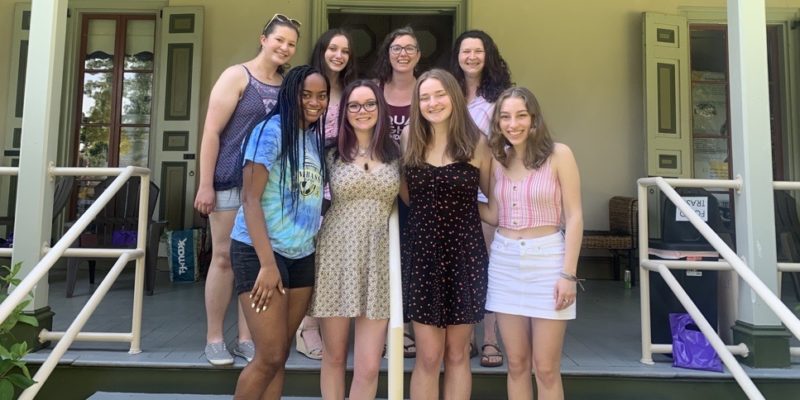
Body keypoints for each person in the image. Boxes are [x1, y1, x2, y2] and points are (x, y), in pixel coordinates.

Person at [194, 13, 300, 366]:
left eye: (291, 44)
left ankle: (245, 337)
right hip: (228, 182)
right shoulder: (236, 76)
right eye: (279, 40)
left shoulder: (288, 85)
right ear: (263, 39)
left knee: (254, 262)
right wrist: (205, 184)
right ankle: (213, 338)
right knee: (224, 258)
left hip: (268, 191)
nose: (284, 47)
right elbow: (211, 132)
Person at [229, 65, 329, 399]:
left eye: (321, 96)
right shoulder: (270, 131)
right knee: (269, 355)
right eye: (306, 95)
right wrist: (268, 264)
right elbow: (250, 198)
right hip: (261, 254)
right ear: (290, 95)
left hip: (300, 255)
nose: (314, 103)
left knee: (280, 355)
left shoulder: (312, 138)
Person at [480, 87, 583, 400]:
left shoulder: (559, 154)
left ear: (534, 118)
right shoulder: (499, 161)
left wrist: (568, 275)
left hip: (548, 260)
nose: (513, 124)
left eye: (521, 115)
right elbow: (495, 214)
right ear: (497, 123)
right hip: (505, 261)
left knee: (546, 367)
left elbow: (575, 216)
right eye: (505, 117)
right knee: (517, 363)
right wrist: (456, 203)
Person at [400, 69, 492, 399]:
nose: (432, 102)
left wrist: (462, 209)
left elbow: (492, 204)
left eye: (439, 95)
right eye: (424, 97)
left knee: (457, 354)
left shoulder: (477, 142)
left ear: (453, 96)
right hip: (423, 255)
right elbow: (409, 196)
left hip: (464, 256)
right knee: (427, 356)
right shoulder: (410, 136)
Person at [308, 80, 401, 400]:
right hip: (335, 254)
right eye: (355, 105)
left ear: (381, 108)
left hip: (379, 259)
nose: (363, 111)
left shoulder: (396, 153)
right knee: (333, 357)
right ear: (345, 112)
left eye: (370, 104)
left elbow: (412, 203)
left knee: (369, 366)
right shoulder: (330, 152)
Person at [449, 29, 513, 368]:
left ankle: (490, 338)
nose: (471, 57)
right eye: (465, 51)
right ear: (456, 56)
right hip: (454, 190)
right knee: (462, 267)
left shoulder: (501, 96)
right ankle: (466, 338)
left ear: (488, 55)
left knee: (489, 266)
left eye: (477, 51)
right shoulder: (449, 92)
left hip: (489, 186)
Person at [294, 28, 358, 361]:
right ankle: (306, 325)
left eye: (345, 51)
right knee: (310, 255)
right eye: (333, 48)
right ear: (322, 49)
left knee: (331, 256)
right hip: (308, 174)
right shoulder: (308, 83)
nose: (338, 55)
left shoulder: (351, 90)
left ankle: (324, 323)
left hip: (340, 178)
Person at [373, 25, 421, 357]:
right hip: (378, 186)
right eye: (396, 47)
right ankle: (386, 327)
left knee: (413, 258)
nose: (402, 53)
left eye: (409, 48)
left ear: (419, 55)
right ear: (387, 54)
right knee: (382, 259)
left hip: (418, 187)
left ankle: (413, 326)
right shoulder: (375, 89)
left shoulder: (429, 89)